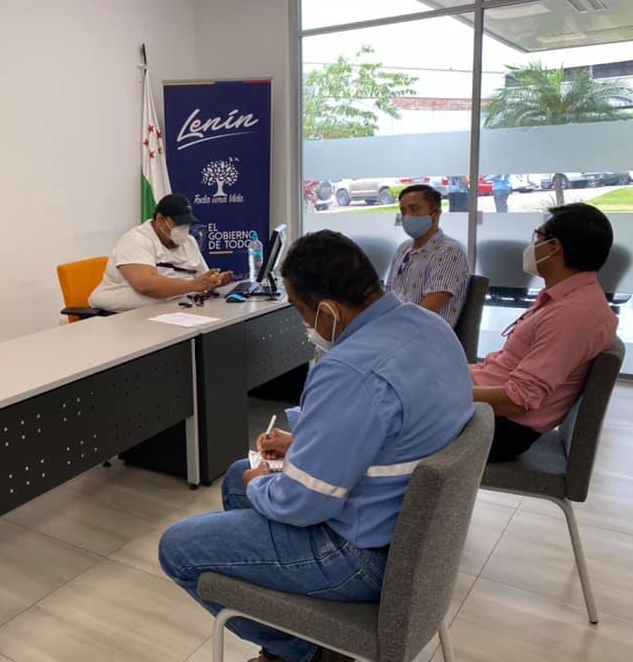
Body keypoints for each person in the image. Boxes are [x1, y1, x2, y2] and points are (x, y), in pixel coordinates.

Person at [158, 231, 474, 662]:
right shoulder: (430, 327)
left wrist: (258, 484)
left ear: (328, 311)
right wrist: (298, 446)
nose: (304, 324)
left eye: (301, 311)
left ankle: (304, 653)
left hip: (361, 554)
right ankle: (289, 619)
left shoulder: (349, 369)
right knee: (235, 476)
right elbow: (389, 428)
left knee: (179, 546)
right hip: (412, 539)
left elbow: (303, 502)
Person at [472, 204, 618, 462]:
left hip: (494, 426)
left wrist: (448, 392)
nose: (533, 245)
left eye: (538, 236)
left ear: (553, 247)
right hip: (485, 406)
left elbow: (517, 400)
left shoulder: (574, 314)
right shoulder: (565, 298)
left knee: (396, 404)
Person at [89, 193, 232, 311]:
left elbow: (201, 280)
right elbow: (147, 285)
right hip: (120, 317)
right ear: (160, 219)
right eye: (179, 223)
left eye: (187, 224)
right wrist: (194, 285)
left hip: (173, 311)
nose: (184, 229)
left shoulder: (189, 242)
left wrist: (214, 282)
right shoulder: (136, 240)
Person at [385, 184, 470, 326]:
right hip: (395, 328)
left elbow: (426, 312)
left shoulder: (449, 251)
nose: (407, 216)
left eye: (414, 209)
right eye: (403, 211)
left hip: (424, 334)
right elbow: (388, 296)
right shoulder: (403, 248)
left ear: (434, 213)